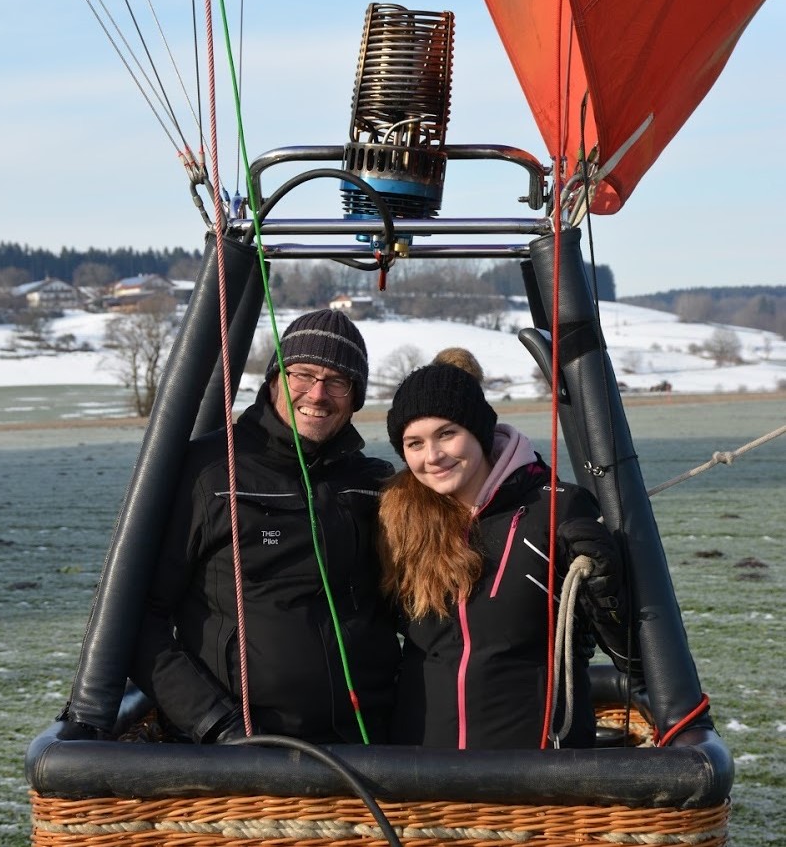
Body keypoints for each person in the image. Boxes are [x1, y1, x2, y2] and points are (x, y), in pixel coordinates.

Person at [130, 309, 400, 744]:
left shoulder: (372, 483)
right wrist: (215, 724)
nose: (317, 393)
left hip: (367, 741)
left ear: (355, 397)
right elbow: (138, 616)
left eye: (337, 381)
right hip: (246, 749)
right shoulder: (210, 472)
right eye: (303, 374)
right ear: (275, 377)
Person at [377, 362, 636, 750]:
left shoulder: (555, 513)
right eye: (415, 443)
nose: (432, 456)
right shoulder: (400, 522)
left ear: (479, 433)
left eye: (447, 434)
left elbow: (631, 654)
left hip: (534, 778)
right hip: (423, 779)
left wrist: (607, 593)